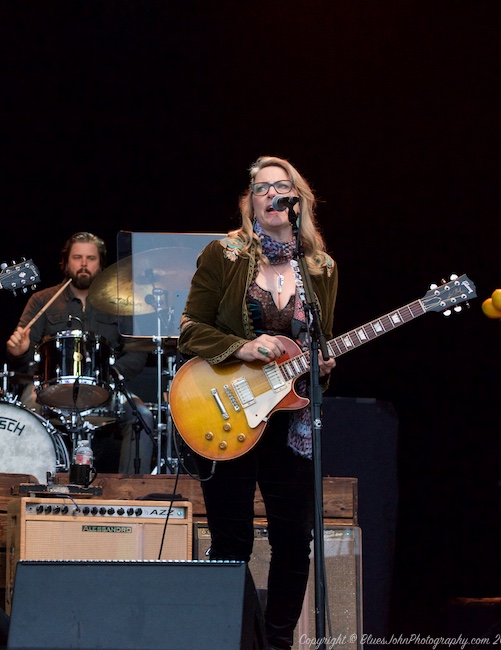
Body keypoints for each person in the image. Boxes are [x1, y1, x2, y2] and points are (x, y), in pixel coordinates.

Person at [176, 156, 338, 650]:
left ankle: (279, 641)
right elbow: (189, 329)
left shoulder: (320, 268)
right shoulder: (224, 254)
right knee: (232, 542)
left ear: (298, 200)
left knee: (295, 541)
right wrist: (242, 347)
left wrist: (322, 364)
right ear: (250, 201)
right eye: (262, 187)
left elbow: (322, 340)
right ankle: (234, 639)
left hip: (290, 419)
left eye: (282, 186)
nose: (272, 194)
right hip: (227, 409)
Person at [5, 232, 152, 475]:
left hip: (108, 386)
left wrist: (110, 376)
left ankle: (132, 492)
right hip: (48, 387)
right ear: (65, 262)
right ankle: (27, 480)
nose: (84, 264)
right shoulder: (42, 300)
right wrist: (18, 352)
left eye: (91, 258)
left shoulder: (123, 302)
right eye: (77, 257)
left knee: (143, 416)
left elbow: (137, 354)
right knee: (25, 412)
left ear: (101, 264)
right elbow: (22, 354)